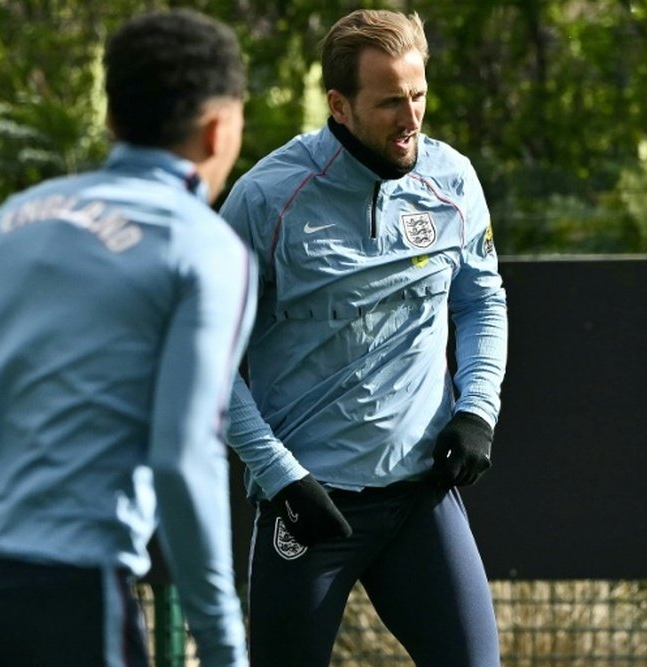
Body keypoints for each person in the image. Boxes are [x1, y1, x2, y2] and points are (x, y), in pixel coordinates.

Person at [0, 9, 254, 667]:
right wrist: (225, 645)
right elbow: (183, 457)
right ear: (218, 129)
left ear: (111, 118)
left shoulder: (3, 224)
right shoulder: (205, 249)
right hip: (66, 598)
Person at [221, 8, 508, 666]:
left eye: (419, 95)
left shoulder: (453, 180)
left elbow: (482, 300)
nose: (411, 119)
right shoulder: (265, 200)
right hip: (309, 505)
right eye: (389, 102)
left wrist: (477, 408)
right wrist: (280, 477)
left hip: (420, 499)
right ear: (339, 105)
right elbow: (206, 361)